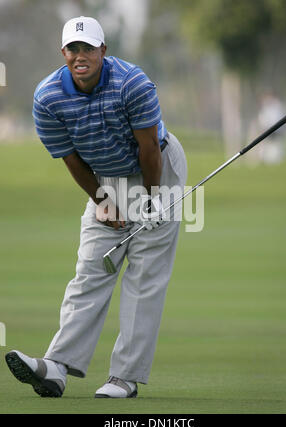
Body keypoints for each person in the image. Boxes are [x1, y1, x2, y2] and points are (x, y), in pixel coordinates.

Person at [5, 16, 187, 398]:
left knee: (143, 275)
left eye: (88, 48)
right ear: (63, 53)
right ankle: (56, 366)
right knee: (90, 267)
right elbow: (69, 157)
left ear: (103, 51)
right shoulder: (48, 97)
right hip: (104, 176)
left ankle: (125, 376)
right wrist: (102, 200)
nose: (80, 55)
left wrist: (152, 201)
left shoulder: (132, 84)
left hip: (157, 169)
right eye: (73, 49)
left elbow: (149, 148)